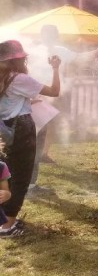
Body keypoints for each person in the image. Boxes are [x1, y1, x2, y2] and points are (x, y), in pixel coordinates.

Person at [0, 40, 61, 237]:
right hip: (20, 129)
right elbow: (54, 91)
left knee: (5, 175)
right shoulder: (18, 79)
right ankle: (7, 226)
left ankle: (5, 219)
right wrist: (56, 68)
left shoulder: (3, 77)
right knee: (20, 177)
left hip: (4, 128)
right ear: (18, 59)